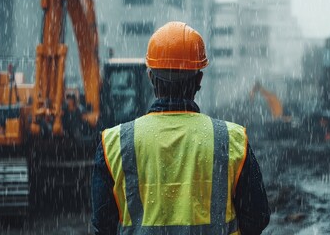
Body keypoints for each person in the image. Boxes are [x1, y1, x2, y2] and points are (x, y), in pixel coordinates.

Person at [92, 21, 270, 235]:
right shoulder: (232, 140)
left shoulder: (113, 143)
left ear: (150, 78)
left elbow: (103, 225)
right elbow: (257, 218)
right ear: (199, 80)